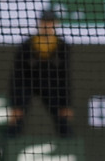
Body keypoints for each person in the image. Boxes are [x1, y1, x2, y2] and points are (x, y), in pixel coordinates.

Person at [7, 9, 73, 138]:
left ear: (56, 24)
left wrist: (67, 104)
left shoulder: (62, 47)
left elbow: (65, 77)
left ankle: (70, 150)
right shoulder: (26, 46)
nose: (47, 26)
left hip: (52, 87)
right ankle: (7, 150)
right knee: (16, 119)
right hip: (27, 85)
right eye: (45, 22)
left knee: (63, 120)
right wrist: (15, 104)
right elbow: (16, 76)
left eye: (50, 22)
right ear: (39, 23)